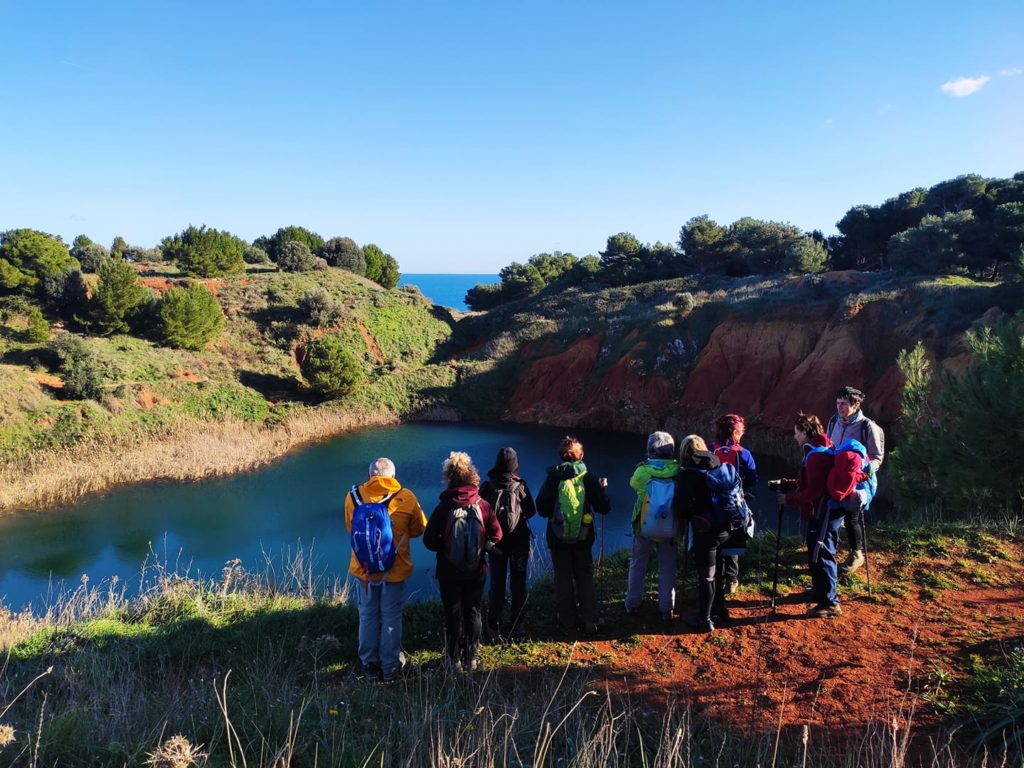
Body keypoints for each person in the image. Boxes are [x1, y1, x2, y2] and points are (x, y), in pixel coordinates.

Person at [345, 457, 427, 682]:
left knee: (367, 615)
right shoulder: (406, 497)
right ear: (393, 475)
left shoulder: (353, 497)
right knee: (391, 617)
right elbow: (419, 529)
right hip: (395, 569)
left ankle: (369, 665)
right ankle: (390, 667)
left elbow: (350, 528)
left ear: (370, 475)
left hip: (365, 571)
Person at [424, 451, 502, 673]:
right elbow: (497, 534)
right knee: (474, 611)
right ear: (472, 476)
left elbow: (429, 540)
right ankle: (472, 658)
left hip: (449, 570)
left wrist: (445, 547)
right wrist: (483, 547)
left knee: (453, 613)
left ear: (448, 478)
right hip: (476, 569)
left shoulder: (444, 506)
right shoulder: (483, 504)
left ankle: (453, 660)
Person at [536, 436, 611, 636]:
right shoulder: (588, 476)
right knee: (584, 577)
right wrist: (602, 491)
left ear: (561, 456)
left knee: (563, 579)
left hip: (558, 538)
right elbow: (604, 508)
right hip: (583, 537)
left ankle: (567, 623)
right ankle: (591, 621)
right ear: (581, 455)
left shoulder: (553, 477)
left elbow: (541, 508)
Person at [776, 413, 841, 618]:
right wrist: (791, 483)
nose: (794, 437)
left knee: (822, 554)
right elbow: (813, 481)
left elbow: (813, 492)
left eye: (796, 433)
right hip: (825, 511)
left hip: (822, 512)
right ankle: (820, 590)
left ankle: (830, 603)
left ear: (805, 432)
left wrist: (789, 499)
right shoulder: (821, 449)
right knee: (816, 550)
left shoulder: (816, 456)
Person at [674, 434, 736, 632]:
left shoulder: (687, 473)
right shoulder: (716, 464)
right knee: (717, 570)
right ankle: (720, 609)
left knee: (706, 575)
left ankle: (705, 619)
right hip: (726, 526)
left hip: (705, 530)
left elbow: (682, 507)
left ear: (684, 452)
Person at [479, 447, 537, 640]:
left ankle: (493, 626)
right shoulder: (520, 486)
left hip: (496, 544)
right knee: (518, 583)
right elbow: (531, 511)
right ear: (514, 465)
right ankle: (518, 625)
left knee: (497, 584)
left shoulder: (487, 487)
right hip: (519, 541)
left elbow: (479, 514)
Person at [826, 386, 885, 574]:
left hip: (857, 481)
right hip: (837, 477)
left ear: (856, 404)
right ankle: (828, 550)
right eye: (838, 403)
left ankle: (856, 554)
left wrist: (864, 471)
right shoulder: (834, 421)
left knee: (853, 517)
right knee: (832, 513)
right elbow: (829, 445)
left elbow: (876, 456)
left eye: (844, 404)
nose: (840, 407)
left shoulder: (868, 427)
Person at [625, 431, 681, 621]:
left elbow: (633, 484)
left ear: (650, 450)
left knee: (638, 563)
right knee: (667, 566)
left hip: (643, 526)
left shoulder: (643, 471)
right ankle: (666, 607)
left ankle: (632, 603)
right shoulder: (678, 471)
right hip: (670, 527)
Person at [711, 414, 758, 595]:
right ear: (736, 432)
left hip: (713, 504)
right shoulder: (743, 454)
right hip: (736, 505)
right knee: (733, 539)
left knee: (716, 539)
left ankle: (715, 577)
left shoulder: (710, 449)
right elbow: (753, 479)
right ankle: (731, 580)